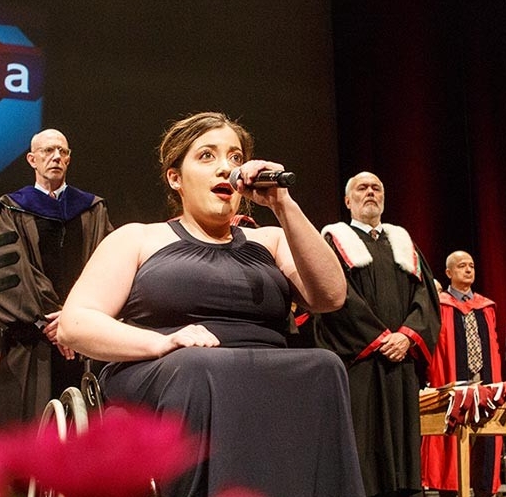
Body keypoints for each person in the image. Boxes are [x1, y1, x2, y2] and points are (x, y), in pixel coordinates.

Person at [56, 112, 364, 497]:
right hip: (167, 367)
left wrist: (283, 204)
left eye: (236, 158)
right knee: (200, 367)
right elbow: (76, 323)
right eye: (207, 156)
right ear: (175, 178)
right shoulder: (138, 240)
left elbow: (331, 297)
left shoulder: (268, 241)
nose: (226, 168)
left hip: (260, 368)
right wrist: (162, 342)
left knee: (325, 365)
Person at [315, 171, 440, 497]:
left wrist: (408, 336)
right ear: (347, 200)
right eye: (362, 188)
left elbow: (426, 297)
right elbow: (335, 299)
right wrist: (379, 338)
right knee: (364, 444)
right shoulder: (334, 241)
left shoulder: (403, 242)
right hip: (361, 364)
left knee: (402, 451)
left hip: (401, 365)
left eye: (376, 188)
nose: (370, 193)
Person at [0, 128, 113, 425]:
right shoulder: (12, 208)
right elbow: (9, 274)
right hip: (33, 340)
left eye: (62, 152)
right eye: (47, 151)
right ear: (32, 159)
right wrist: (51, 321)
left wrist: (76, 319)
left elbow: (107, 268)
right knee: (30, 433)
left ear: (69, 159)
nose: (56, 157)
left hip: (86, 339)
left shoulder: (93, 209)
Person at [421, 251, 502, 497]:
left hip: (484, 387)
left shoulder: (485, 307)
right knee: (452, 452)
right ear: (448, 273)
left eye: (471, 266)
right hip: (453, 388)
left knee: (484, 452)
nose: (468, 270)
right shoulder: (439, 305)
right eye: (461, 266)